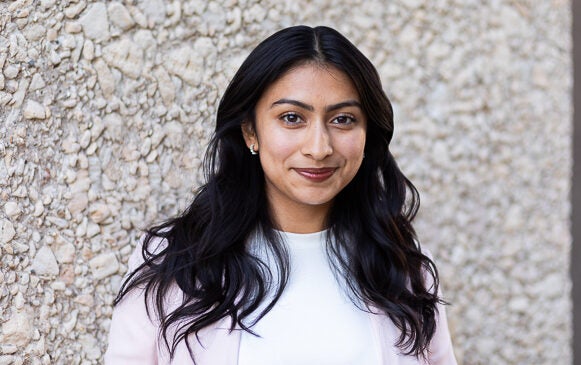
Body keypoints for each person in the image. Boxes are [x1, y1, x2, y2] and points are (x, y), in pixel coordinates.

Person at [105, 25, 457, 365]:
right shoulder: (173, 262)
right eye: (292, 118)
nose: (319, 148)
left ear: (368, 134)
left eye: (343, 119)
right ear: (250, 131)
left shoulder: (402, 266)